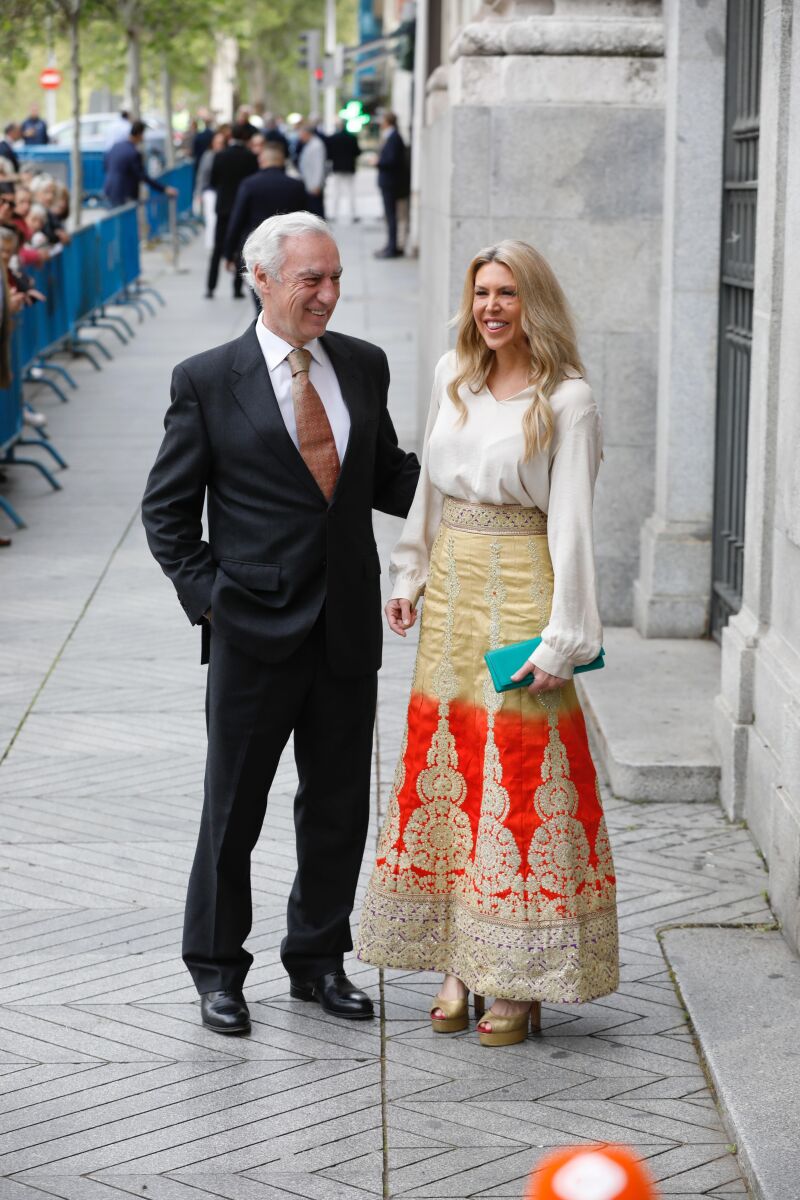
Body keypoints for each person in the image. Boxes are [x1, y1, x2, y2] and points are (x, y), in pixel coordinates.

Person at [141, 212, 420, 1035]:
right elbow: (166, 515)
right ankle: (218, 970)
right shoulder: (206, 378)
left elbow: (389, 478)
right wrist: (214, 600)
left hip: (344, 631)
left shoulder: (363, 366)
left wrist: (488, 476)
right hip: (252, 635)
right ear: (260, 278)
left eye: (335, 278)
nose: (329, 295)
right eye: (312, 280)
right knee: (233, 810)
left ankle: (320, 958)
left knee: (335, 805)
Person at [356, 239, 619, 1047]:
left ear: (531, 301)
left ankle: (519, 975)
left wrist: (565, 635)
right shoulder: (452, 375)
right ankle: (463, 960)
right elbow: (430, 490)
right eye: (481, 293)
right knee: (454, 772)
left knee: (520, 778)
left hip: (522, 593)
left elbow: (571, 524)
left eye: (506, 293)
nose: (492, 307)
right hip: (453, 597)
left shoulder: (566, 399)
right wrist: (407, 577)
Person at [223, 143, 308, 312]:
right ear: (282, 161)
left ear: (261, 161)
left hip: (257, 249)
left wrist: (228, 253)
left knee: (261, 300)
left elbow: (237, 221)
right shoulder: (296, 186)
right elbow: (306, 221)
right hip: (289, 249)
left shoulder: (249, 184)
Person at [205, 122, 258, 299]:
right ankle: (237, 287)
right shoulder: (250, 157)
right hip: (242, 207)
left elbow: (213, 181)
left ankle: (211, 287)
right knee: (241, 248)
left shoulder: (220, 156)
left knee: (218, 248)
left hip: (223, 207)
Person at [103, 120, 178, 208]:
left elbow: (106, 165)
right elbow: (143, 176)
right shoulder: (133, 153)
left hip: (110, 190)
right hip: (125, 195)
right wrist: (164, 189)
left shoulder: (116, 146)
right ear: (139, 134)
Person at [375, 112, 409, 259]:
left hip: (392, 183)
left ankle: (392, 248)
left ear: (387, 121)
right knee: (390, 217)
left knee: (392, 216)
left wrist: (378, 162)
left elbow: (392, 161)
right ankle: (390, 245)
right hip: (389, 182)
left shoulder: (394, 137)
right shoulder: (390, 136)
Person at [195, 129, 227, 251]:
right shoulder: (208, 156)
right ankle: (211, 244)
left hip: (222, 192)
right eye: (217, 142)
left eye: (221, 143)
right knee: (211, 218)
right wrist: (198, 193)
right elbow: (201, 175)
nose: (219, 145)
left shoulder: (226, 156)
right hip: (210, 190)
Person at [325, 120, 361, 225]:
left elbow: (329, 155)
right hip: (349, 167)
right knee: (351, 192)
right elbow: (357, 152)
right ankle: (353, 214)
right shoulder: (352, 137)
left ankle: (334, 214)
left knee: (336, 192)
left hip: (338, 168)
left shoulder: (333, 138)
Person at [296, 122, 327, 218]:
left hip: (314, 186)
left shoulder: (316, 145)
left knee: (317, 212)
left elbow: (319, 166)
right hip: (309, 184)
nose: (300, 137)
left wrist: (316, 185)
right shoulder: (310, 144)